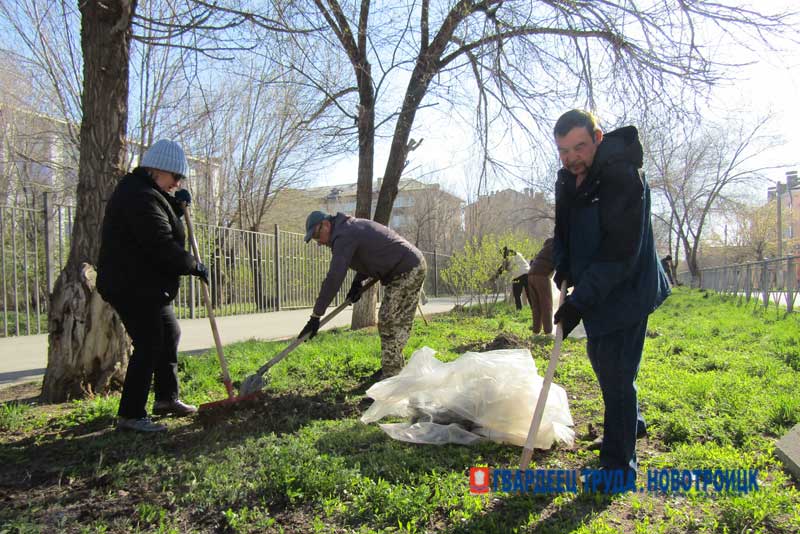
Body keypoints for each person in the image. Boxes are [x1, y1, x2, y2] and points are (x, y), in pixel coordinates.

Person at [551, 110, 670, 485]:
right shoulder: (569, 180)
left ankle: (618, 468)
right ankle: (630, 423)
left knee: (617, 375)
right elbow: (564, 231)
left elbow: (619, 254)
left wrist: (578, 303)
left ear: (598, 138)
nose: (572, 157)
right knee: (601, 360)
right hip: (596, 287)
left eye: (580, 146)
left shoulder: (623, 177)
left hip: (628, 287)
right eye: (564, 150)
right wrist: (563, 266)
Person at [97, 139, 209, 433]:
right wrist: (193, 265)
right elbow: (160, 244)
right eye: (176, 177)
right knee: (149, 342)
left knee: (169, 332)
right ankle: (131, 414)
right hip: (131, 285)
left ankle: (165, 399)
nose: (177, 182)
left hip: (147, 285)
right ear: (158, 170)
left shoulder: (146, 192)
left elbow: (162, 214)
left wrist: (177, 203)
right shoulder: (139, 197)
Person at [301, 210, 426, 377]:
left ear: (326, 225)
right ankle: (393, 366)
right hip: (405, 266)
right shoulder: (347, 229)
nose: (319, 243)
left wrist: (316, 316)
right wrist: (357, 282)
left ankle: (391, 374)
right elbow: (369, 255)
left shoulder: (344, 234)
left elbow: (334, 278)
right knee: (393, 321)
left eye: (317, 236)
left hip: (408, 268)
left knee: (390, 319)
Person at [528, 238, 555, 335]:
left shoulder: (543, 250)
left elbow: (532, 262)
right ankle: (548, 333)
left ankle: (536, 332)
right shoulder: (556, 246)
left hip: (530, 276)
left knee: (536, 306)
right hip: (541, 276)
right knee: (546, 305)